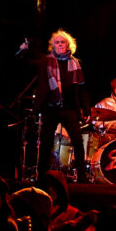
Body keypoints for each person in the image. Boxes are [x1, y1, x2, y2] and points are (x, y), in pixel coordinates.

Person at [33, 31, 90, 183]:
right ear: (53, 45)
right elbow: (28, 61)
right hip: (51, 107)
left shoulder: (75, 63)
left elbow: (82, 89)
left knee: (78, 141)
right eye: (57, 42)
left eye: (62, 42)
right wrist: (23, 50)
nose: (60, 45)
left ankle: (82, 176)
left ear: (68, 45)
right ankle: (42, 176)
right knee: (46, 142)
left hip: (70, 108)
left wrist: (86, 109)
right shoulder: (46, 61)